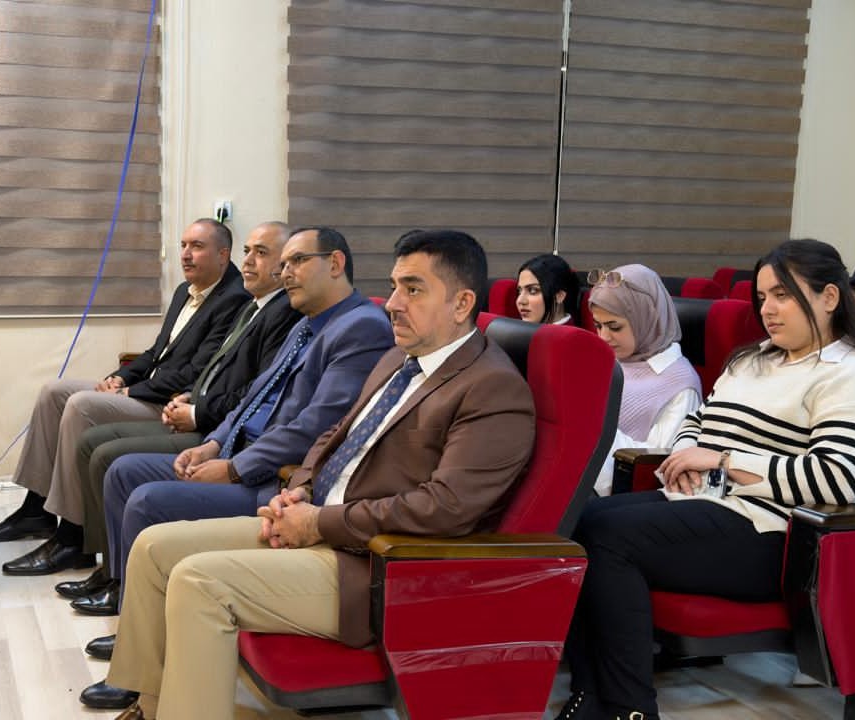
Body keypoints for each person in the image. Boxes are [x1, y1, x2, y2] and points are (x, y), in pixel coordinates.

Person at [86, 229, 535, 720]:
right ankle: (152, 707)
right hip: (324, 526)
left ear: (462, 303)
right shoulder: (400, 358)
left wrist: (319, 522)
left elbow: (444, 508)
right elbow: (334, 434)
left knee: (200, 582)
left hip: (376, 566)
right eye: (394, 287)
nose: (393, 304)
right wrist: (297, 491)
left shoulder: (491, 387)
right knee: (154, 547)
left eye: (414, 289)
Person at [557, 239, 855, 720]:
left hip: (775, 533)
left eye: (783, 296)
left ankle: (629, 709)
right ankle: (592, 697)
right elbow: (699, 421)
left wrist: (723, 461)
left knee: (607, 538)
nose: (767, 309)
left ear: (829, 297)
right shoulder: (752, 359)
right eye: (763, 297)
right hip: (707, 502)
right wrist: (686, 455)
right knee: (578, 521)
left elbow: (836, 478)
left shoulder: (853, 372)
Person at [76, 226, 394, 708]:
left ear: (335, 264)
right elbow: (253, 397)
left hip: (274, 478)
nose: (285, 273)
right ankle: (137, 627)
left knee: (148, 501)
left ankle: (145, 667)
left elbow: (315, 426)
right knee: (123, 472)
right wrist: (213, 444)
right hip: (240, 451)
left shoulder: (360, 328)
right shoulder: (306, 323)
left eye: (296, 261)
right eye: (283, 264)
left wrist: (235, 467)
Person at [40, 222, 302, 612]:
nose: (249, 261)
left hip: (210, 426)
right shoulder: (250, 305)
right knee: (67, 408)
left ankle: (108, 568)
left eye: (261, 253)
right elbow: (175, 358)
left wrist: (193, 409)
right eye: (248, 251)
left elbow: (252, 393)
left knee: (103, 449)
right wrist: (127, 379)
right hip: (192, 408)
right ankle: (95, 557)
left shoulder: (270, 311)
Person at [0, 219, 249, 573]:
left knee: (81, 405)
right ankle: (35, 510)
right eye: (183, 245)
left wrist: (130, 390)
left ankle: (73, 535)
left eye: (196, 246)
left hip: (170, 403)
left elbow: (196, 372)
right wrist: (119, 376)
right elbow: (157, 353)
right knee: (53, 392)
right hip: (147, 388)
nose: (185, 255)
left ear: (223, 254)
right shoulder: (185, 291)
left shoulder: (234, 299)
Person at [587, 264, 702, 496]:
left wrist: (590, 423)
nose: (604, 337)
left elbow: (655, 461)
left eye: (614, 327)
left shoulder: (680, 383)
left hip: (614, 488)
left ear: (647, 319)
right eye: (598, 326)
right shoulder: (610, 361)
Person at [516, 253, 580, 324]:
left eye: (533, 291)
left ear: (559, 296)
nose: (520, 301)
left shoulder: (572, 332)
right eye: (519, 291)